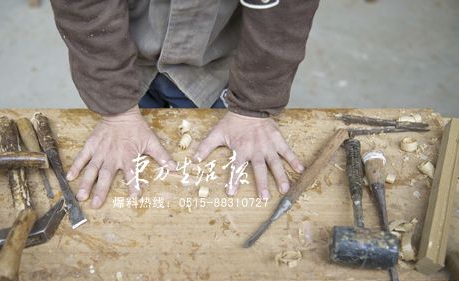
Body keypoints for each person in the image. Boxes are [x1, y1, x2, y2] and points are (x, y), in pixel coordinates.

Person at [50, 0, 319, 208]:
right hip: (119, 51)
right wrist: (116, 109)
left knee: (223, 170)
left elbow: (285, 9)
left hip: (221, 60)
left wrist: (253, 105)